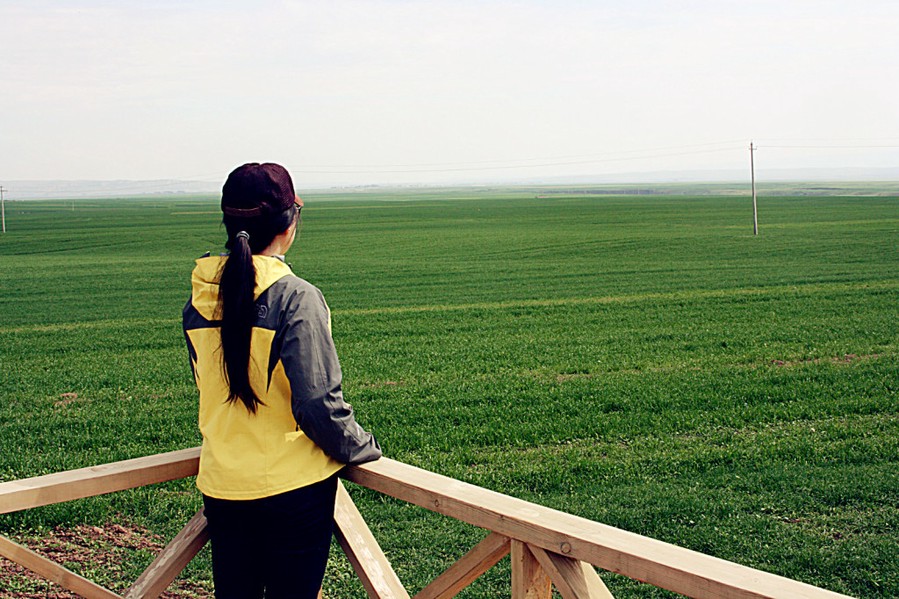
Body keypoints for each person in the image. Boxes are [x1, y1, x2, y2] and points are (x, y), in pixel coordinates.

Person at [182, 162, 381, 598]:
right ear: (290, 223)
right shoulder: (296, 297)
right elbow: (317, 405)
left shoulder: (200, 298)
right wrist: (362, 447)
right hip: (292, 491)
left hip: (223, 487)